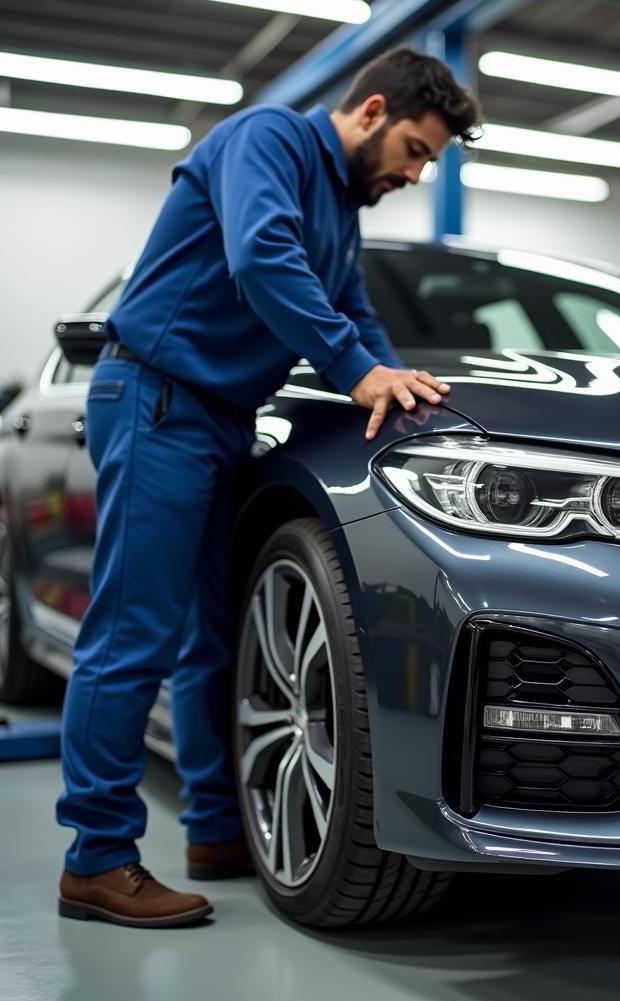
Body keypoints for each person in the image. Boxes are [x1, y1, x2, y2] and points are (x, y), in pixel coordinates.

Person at [55, 48, 481, 928]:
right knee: (134, 631)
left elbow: (353, 309)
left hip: (218, 418)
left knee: (214, 636)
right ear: (370, 111)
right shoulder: (270, 139)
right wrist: (354, 370)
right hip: (158, 398)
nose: (416, 172)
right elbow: (260, 257)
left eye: (429, 162)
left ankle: (215, 827)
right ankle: (95, 859)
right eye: (414, 148)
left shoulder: (342, 208)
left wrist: (398, 383)